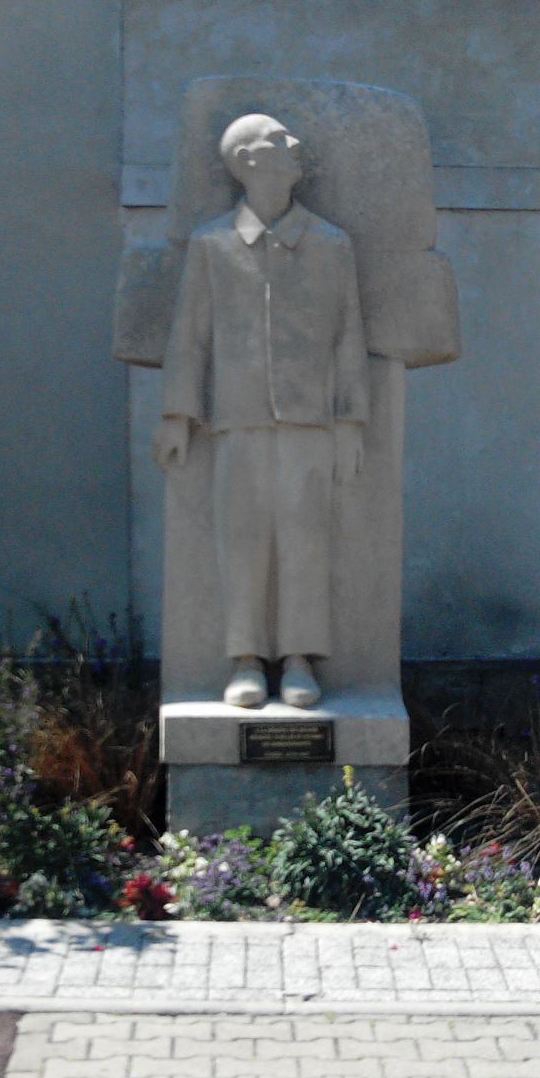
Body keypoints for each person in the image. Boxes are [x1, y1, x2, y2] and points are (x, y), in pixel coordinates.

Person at [155, 113, 368, 709]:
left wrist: (351, 420)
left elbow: (350, 335)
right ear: (248, 160)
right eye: (280, 140)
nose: (296, 146)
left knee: (306, 535)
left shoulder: (331, 244)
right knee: (241, 537)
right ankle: (244, 655)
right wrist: (177, 414)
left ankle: (300, 657)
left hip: (310, 422)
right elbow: (188, 336)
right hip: (238, 420)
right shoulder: (211, 245)